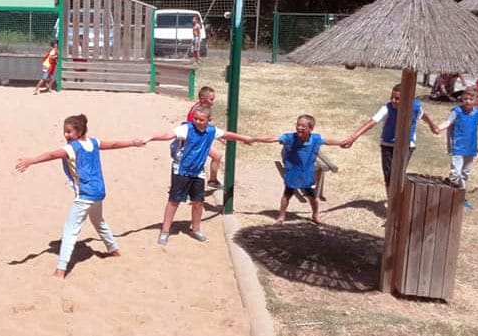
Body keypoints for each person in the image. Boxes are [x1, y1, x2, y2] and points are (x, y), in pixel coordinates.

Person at [15, 113, 146, 278]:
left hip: (86, 195)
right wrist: (133, 142)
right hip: (99, 192)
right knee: (99, 222)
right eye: (64, 131)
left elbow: (52, 155)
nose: (66, 135)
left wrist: (31, 161)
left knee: (70, 231)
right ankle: (113, 250)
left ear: (79, 131)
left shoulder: (72, 148)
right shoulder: (93, 142)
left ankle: (60, 270)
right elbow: (113, 144)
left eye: (69, 132)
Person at [149, 104, 253, 245]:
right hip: (181, 170)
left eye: (201, 120)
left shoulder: (211, 131)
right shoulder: (186, 129)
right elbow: (168, 135)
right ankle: (165, 230)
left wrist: (244, 138)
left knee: (198, 202)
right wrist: (150, 138)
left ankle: (196, 229)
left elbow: (227, 134)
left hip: (198, 172)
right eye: (196, 119)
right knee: (174, 201)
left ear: (209, 120)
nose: (197, 122)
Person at [254, 115, 350, 225]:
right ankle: (281, 217)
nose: (299, 127)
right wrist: (254, 139)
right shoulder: (289, 138)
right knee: (287, 195)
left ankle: (315, 215)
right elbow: (272, 138)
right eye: (298, 125)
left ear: (310, 129)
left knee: (313, 197)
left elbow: (326, 141)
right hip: (293, 173)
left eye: (303, 126)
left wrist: (340, 143)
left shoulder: (315, 139)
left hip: (307, 174)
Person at [345, 84, 439, 188]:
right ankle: (391, 201)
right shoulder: (387, 108)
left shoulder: (415, 107)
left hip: (406, 146)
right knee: (389, 176)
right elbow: (371, 123)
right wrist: (353, 138)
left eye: (397, 98)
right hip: (388, 145)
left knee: (399, 175)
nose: (393, 100)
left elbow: (424, 115)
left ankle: (397, 200)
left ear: (406, 98)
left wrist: (432, 125)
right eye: (392, 98)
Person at [186, 86, 224, 189]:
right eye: (211, 99)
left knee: (217, 156)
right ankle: (188, 186)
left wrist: (219, 137)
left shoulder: (202, 108)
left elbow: (206, 127)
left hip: (198, 139)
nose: (213, 102)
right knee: (194, 162)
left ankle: (212, 180)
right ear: (203, 99)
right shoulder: (197, 111)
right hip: (194, 141)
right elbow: (193, 126)